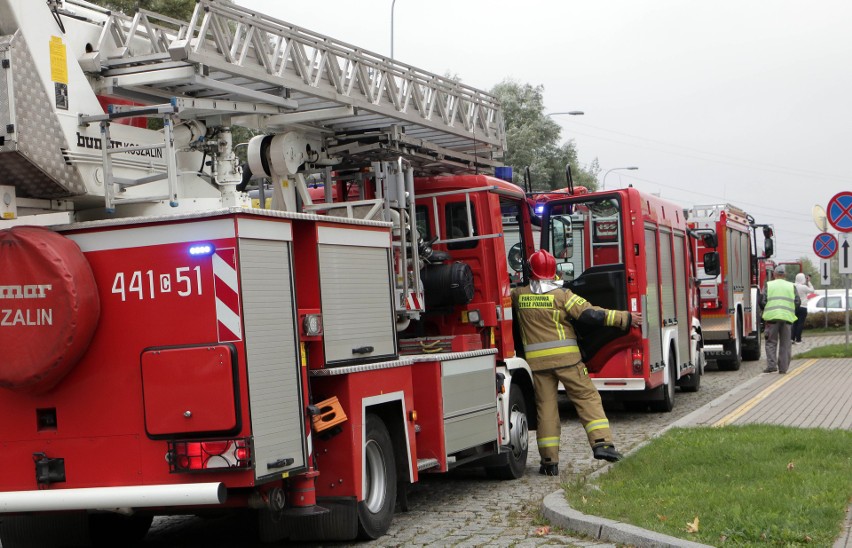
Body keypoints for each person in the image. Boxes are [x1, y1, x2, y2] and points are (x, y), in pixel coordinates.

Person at [511, 250, 642, 476]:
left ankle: (549, 462)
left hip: (537, 366)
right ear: (553, 271)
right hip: (568, 361)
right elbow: (590, 315)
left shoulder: (519, 296)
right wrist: (625, 318)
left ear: (530, 271)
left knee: (547, 410)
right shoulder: (562, 295)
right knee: (587, 397)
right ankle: (602, 444)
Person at [760, 265, 799, 374]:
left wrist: (766, 309)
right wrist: (790, 310)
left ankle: (771, 366)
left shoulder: (769, 285)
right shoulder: (791, 286)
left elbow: (762, 301)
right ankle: (783, 368)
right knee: (785, 343)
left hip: (772, 318)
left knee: (771, 342)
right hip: (787, 318)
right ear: (785, 275)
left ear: (774, 274)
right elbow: (797, 302)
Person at [792, 272, 814, 344]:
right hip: (803, 307)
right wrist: (809, 281)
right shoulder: (803, 287)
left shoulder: (793, 286)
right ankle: (798, 339)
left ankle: (792, 338)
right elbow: (812, 290)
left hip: (794, 307)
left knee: (794, 323)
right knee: (800, 324)